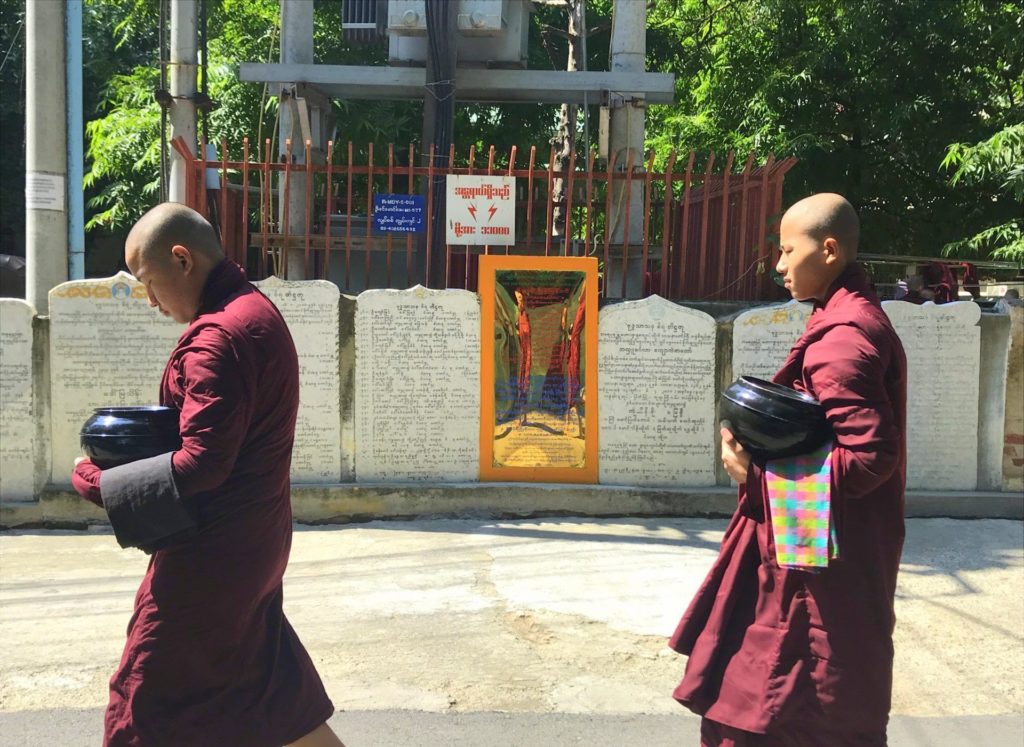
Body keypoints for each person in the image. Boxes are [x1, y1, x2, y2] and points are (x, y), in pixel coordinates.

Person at [71, 203, 343, 747]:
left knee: (144, 704)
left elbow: (203, 461)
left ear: (182, 259)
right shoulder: (255, 310)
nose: (150, 300)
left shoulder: (219, 337)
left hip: (210, 559)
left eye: (150, 282)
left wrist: (101, 484)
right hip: (255, 543)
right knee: (267, 697)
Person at [669, 193, 907, 746]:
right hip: (826, 551)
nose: (777, 265)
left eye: (785, 250)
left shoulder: (844, 341)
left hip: (817, 567)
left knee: (782, 704)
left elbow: (870, 457)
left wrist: (752, 473)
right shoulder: (849, 316)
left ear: (828, 250)